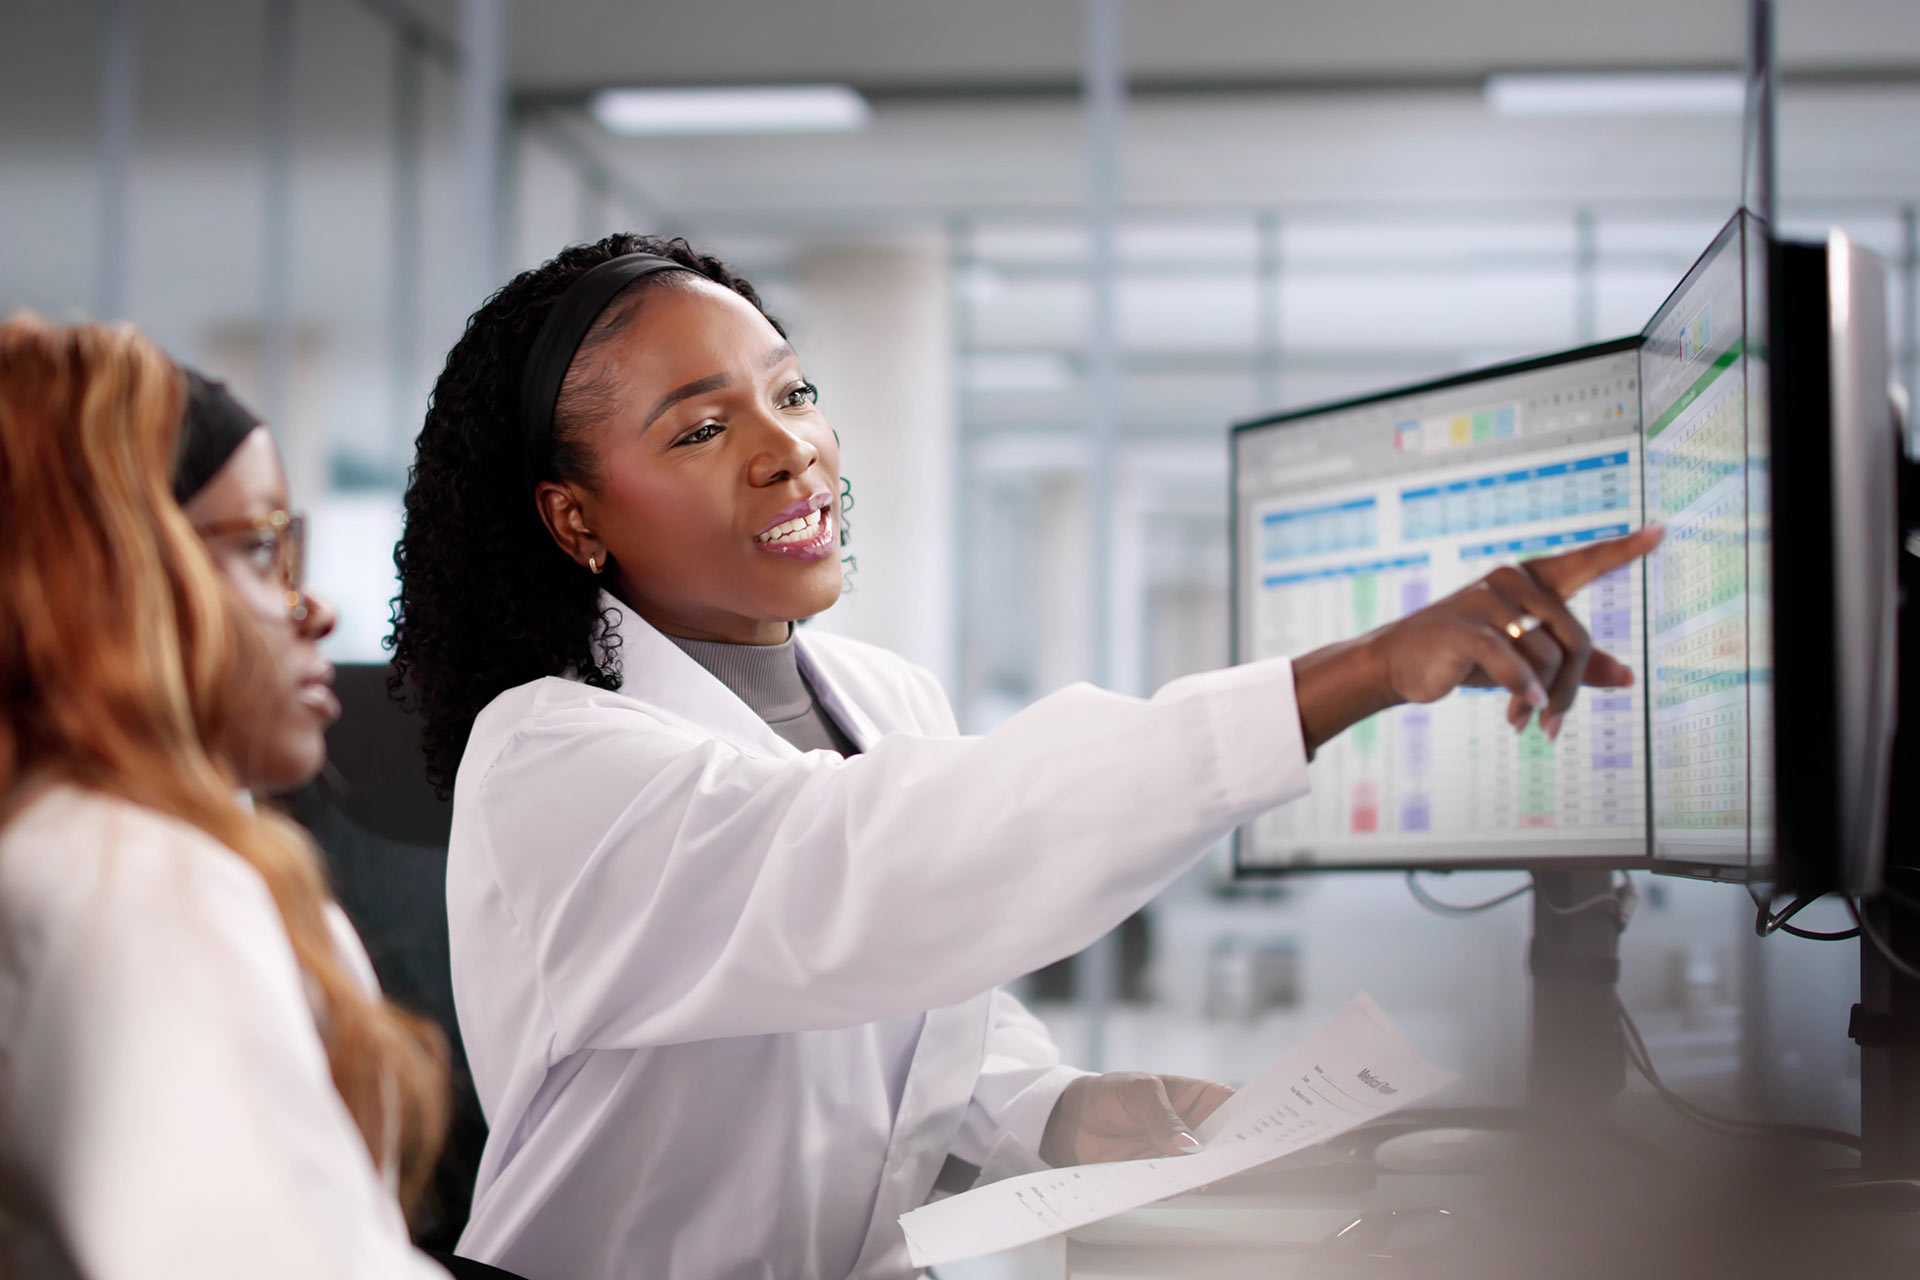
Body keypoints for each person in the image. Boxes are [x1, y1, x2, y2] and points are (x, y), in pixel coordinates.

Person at [391, 234, 1659, 1280]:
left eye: (794, 392)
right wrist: (1357, 673)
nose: (788, 449)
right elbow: (873, 871)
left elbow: (906, 1003)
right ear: (576, 517)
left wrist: (1055, 1106)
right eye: (699, 430)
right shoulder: (551, 754)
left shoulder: (885, 692)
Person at [0, 317, 449, 1279]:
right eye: (256, 548)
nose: (314, 607)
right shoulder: (132, 878)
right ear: (99, 577)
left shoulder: (71, 848)